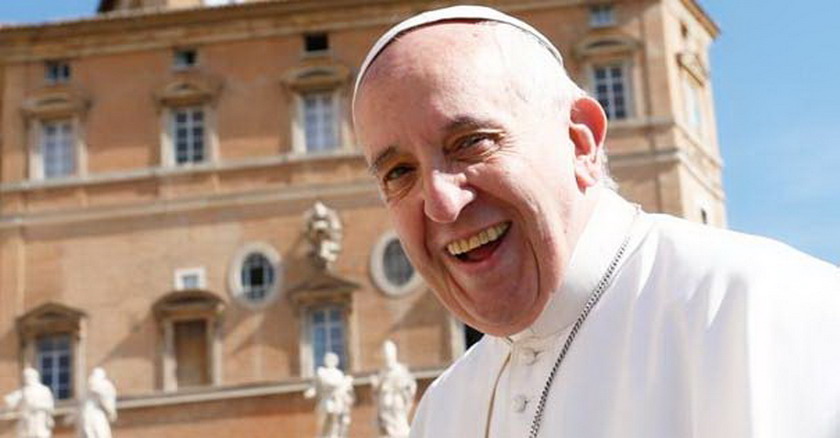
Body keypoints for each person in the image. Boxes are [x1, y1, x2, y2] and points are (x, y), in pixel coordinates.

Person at [352, 5, 840, 437]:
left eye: (471, 142)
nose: (441, 202)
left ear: (581, 142)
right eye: (399, 173)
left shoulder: (759, 308)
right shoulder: (443, 409)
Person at [303, 352, 355, 438]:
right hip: (326, 400)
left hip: (336, 400)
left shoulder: (338, 374)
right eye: (328, 360)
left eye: (332, 360)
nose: (329, 361)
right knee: (324, 421)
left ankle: (334, 435)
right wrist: (311, 392)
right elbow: (316, 386)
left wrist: (347, 386)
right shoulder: (322, 372)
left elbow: (344, 388)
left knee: (335, 421)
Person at [371, 340, 417, 438]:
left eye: (389, 353)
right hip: (384, 401)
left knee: (398, 418)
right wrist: (376, 386)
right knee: (386, 418)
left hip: (396, 400)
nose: (387, 356)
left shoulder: (400, 369)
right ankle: (389, 431)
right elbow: (377, 389)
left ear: (394, 353)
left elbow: (410, 385)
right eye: (385, 353)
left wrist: (399, 386)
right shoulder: (382, 372)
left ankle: (399, 430)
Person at [4, 368, 55, 438]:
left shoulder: (44, 390)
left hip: (39, 420)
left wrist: (49, 418)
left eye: (28, 377)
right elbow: (10, 402)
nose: (26, 379)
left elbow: (50, 406)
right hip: (28, 422)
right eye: (25, 377)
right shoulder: (24, 391)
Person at [77, 368, 117, 438]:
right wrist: (111, 412)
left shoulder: (87, 387)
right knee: (100, 433)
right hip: (96, 414)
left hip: (85, 415)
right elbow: (106, 400)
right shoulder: (103, 385)